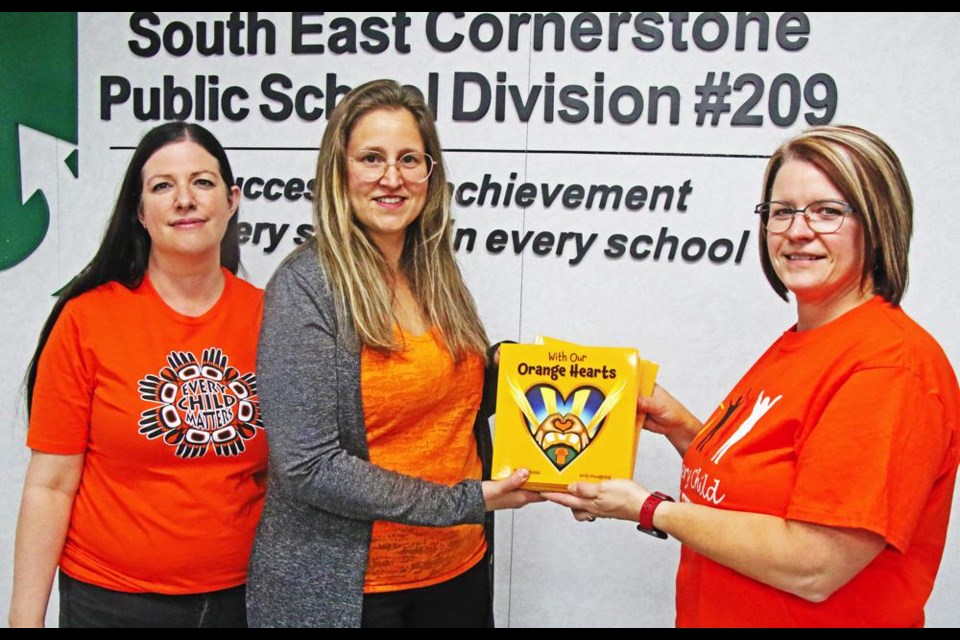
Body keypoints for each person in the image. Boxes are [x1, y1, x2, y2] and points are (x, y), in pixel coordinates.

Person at [546, 125, 960, 627]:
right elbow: (771, 485)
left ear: (878, 225)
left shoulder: (889, 367)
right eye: (781, 211)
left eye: (827, 212)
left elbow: (816, 563)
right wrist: (684, 429)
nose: (797, 230)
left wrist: (650, 509)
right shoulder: (806, 338)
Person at [246, 79, 542, 628]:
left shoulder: (434, 271)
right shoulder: (305, 287)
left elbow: (448, 397)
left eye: (410, 159)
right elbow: (310, 467)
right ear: (339, 172)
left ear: (430, 174)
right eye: (371, 158)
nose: (392, 177)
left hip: (457, 571)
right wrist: (463, 501)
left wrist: (563, 382)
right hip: (350, 593)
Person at [8, 122, 267, 628]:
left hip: (247, 601)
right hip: (112, 603)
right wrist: (24, 619)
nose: (185, 200)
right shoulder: (86, 320)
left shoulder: (274, 317)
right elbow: (51, 486)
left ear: (232, 200)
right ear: (140, 211)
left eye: (203, 182)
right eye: (163, 186)